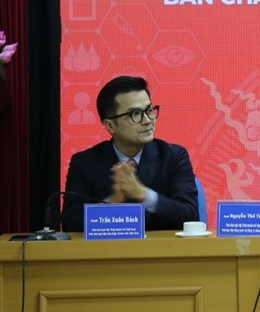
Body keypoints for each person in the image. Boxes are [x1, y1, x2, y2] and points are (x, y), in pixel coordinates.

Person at [61, 75, 200, 232]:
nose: (147, 120)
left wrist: (143, 194)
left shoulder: (173, 156)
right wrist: (113, 203)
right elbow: (70, 222)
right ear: (110, 126)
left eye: (149, 110)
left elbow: (191, 216)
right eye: (135, 114)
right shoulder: (85, 162)